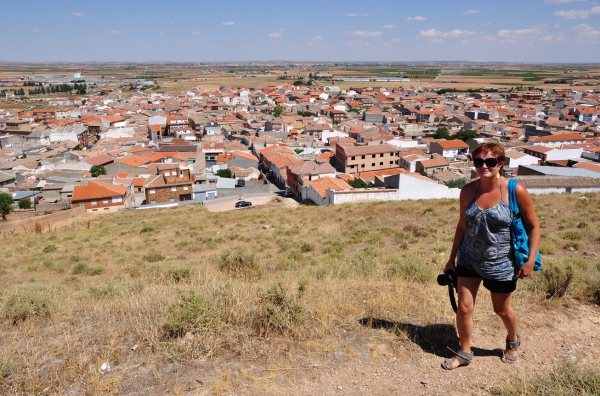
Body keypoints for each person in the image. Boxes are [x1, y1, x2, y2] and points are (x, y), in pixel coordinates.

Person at [441, 142, 541, 370]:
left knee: (501, 309)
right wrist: (451, 258)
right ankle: (465, 352)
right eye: (479, 162)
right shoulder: (467, 191)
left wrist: (529, 260)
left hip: (502, 264)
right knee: (464, 307)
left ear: (501, 164)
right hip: (468, 259)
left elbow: (534, 227)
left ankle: (513, 339)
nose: (484, 166)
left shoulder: (515, 190)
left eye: (490, 161)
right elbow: (461, 226)